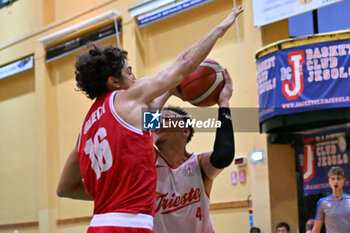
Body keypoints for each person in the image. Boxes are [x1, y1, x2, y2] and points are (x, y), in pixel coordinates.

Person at [56, 6, 244, 233]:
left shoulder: (86, 129)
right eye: (129, 71)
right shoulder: (127, 100)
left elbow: (64, 188)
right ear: (114, 82)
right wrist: (221, 28)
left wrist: (117, 192)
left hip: (99, 224)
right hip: (130, 225)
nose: (134, 77)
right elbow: (185, 63)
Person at [152, 69, 235, 233]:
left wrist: (224, 103)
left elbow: (224, 155)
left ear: (185, 131)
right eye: (156, 119)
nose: (158, 122)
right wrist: (168, 90)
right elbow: (139, 121)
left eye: (166, 118)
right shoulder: (148, 160)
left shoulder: (198, 164)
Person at [311, 166, 350, 233]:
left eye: (339, 178)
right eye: (333, 179)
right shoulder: (323, 202)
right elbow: (316, 229)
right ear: (329, 181)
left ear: (344, 180)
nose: (336, 181)